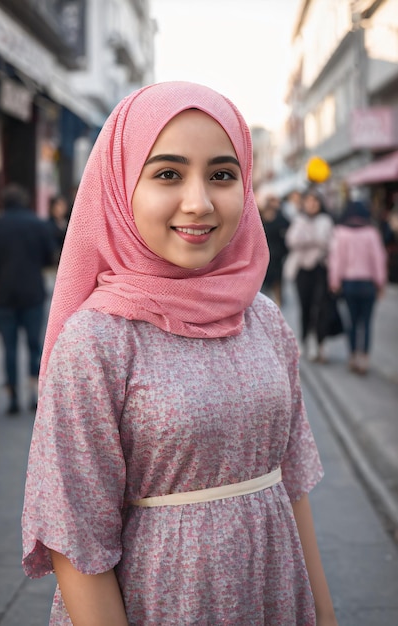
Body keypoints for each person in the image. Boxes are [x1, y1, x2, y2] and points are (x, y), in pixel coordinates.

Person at [21, 82, 338, 625]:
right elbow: (77, 543)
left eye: (222, 174)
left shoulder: (260, 317)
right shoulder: (99, 341)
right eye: (168, 173)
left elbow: (291, 486)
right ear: (120, 188)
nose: (200, 201)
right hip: (164, 601)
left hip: (275, 594)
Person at [0, 184, 55, 414]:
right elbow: (49, 256)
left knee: (9, 347)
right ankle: (35, 393)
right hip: (32, 292)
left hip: (5, 294)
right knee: (34, 345)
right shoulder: (38, 224)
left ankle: (13, 396)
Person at [328, 200, 387, 374]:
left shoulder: (341, 232)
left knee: (352, 322)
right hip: (368, 284)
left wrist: (334, 282)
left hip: (349, 283)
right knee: (367, 322)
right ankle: (364, 359)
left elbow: (336, 259)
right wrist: (380, 282)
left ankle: (353, 356)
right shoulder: (371, 233)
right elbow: (379, 259)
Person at [285, 188, 334, 362]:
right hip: (301, 271)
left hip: (320, 269)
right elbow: (292, 241)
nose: (312, 205)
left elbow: (327, 242)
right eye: (309, 201)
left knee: (320, 307)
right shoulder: (298, 220)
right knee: (305, 307)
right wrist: (313, 239)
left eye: (315, 202)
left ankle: (320, 343)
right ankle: (305, 340)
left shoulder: (326, 220)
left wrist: (308, 239)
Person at [257, 193, 290, 307]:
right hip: (263, 253)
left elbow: (288, 230)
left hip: (277, 254)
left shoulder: (281, 217)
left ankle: (278, 300)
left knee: (277, 279)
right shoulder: (259, 216)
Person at [47, 194, 69, 265]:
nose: (60, 208)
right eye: (58, 205)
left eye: (62, 205)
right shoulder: (48, 225)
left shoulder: (69, 224)